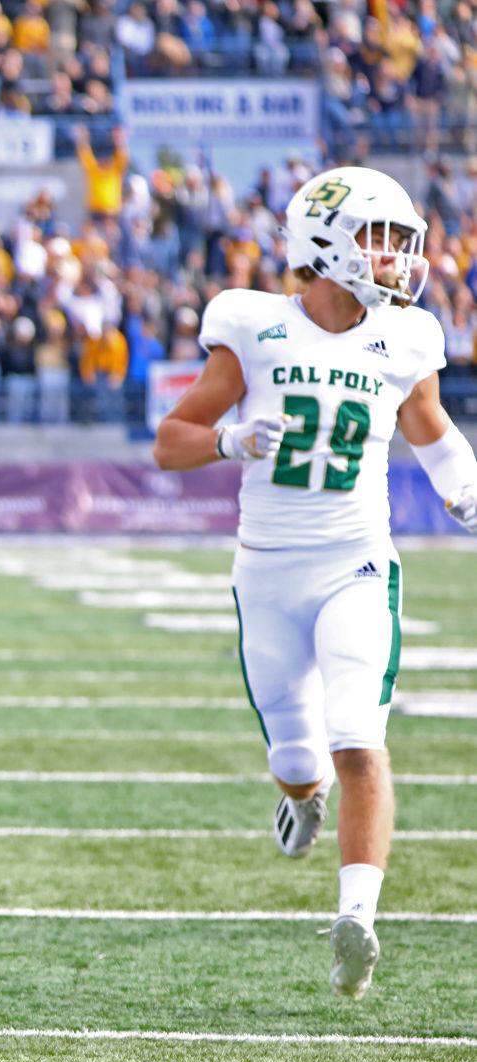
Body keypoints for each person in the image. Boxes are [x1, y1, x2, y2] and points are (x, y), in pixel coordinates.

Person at [154, 166, 477, 1000]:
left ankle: (356, 918)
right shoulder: (253, 328)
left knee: (357, 735)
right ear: (326, 244)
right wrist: (230, 442)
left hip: (357, 562)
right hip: (265, 569)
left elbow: (431, 431)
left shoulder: (404, 338)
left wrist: (464, 491)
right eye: (380, 239)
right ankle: (299, 798)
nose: (397, 258)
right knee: (298, 760)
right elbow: (170, 441)